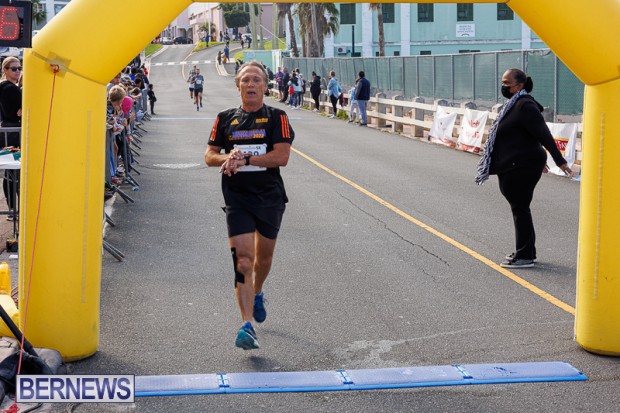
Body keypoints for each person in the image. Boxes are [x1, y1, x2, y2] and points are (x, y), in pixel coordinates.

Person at [204, 61, 295, 350]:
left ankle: (257, 292)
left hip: (269, 197)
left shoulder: (277, 117)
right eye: (245, 80)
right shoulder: (225, 118)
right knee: (242, 261)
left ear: (265, 86)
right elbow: (209, 156)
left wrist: (246, 159)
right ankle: (246, 325)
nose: (251, 84)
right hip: (237, 198)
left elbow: (281, 157)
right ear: (238, 87)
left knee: (262, 260)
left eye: (256, 80)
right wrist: (227, 158)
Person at [475, 68, 571, 268]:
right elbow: (525, 136)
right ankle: (526, 252)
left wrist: (559, 160)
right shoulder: (513, 105)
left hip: (521, 165)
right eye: (503, 82)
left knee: (520, 208)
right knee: (520, 208)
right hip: (516, 163)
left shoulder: (525, 106)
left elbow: (543, 133)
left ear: (519, 85)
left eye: (507, 83)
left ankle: (525, 255)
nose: (503, 86)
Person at [0, 57, 22, 217]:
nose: (17, 71)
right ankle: (14, 210)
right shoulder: (11, 89)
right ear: (5, 70)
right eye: (14, 69)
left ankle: (12, 209)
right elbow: (27, 107)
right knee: (15, 172)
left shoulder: (3, 87)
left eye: (19, 68)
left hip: (7, 132)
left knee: (10, 171)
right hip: (13, 134)